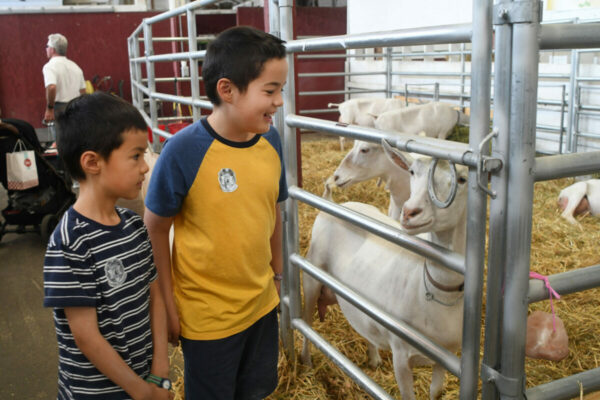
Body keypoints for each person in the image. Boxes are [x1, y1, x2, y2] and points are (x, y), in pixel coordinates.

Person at [144, 26, 288, 400]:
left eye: (281, 91)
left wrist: (278, 274)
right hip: (208, 317)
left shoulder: (271, 141)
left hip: (260, 306)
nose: (279, 102)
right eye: (270, 91)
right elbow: (155, 227)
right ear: (227, 90)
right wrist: (168, 300)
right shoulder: (183, 150)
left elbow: (273, 208)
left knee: (255, 391)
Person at [43, 92, 172, 400]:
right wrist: (141, 391)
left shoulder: (133, 225)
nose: (145, 167)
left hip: (145, 379)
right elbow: (87, 338)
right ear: (92, 162)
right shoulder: (69, 243)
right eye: (136, 155)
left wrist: (160, 366)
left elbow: (153, 294)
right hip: (97, 393)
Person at [42, 33, 86, 123]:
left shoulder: (49, 66)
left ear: (52, 49)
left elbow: (51, 87)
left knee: (61, 136)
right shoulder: (75, 66)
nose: (45, 49)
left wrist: (50, 108)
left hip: (60, 109)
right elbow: (83, 91)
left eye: (47, 46)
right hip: (77, 107)